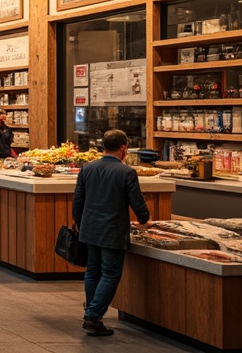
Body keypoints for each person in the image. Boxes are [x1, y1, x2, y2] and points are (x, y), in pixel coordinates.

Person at [73, 129, 151, 336]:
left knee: (93, 271)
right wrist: (144, 219)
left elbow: (77, 202)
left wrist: (80, 223)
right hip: (112, 230)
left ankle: (92, 312)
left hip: (89, 229)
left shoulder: (87, 168)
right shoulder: (126, 172)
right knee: (110, 273)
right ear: (123, 148)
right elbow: (137, 202)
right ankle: (92, 316)